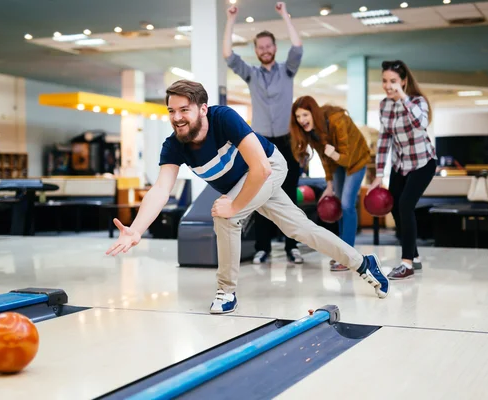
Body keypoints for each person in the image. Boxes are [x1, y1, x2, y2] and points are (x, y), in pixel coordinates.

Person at [106, 80, 390, 314]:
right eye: (171, 111)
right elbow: (160, 189)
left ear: (202, 109)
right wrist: (137, 229)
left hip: (270, 167)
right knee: (301, 229)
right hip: (249, 180)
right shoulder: (174, 145)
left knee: (225, 216)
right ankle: (364, 264)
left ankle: (226, 292)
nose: (177, 117)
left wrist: (234, 206)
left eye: (184, 110)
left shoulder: (223, 119)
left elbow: (261, 168)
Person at [223, 2, 304, 264]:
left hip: (287, 140)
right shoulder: (252, 75)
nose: (265, 50)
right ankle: (263, 248)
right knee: (259, 194)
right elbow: (227, 55)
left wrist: (284, 15)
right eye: (261, 47)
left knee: (290, 195)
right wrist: (231, 19)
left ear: (274, 49)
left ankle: (293, 247)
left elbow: (298, 47)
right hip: (261, 143)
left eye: (269, 46)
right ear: (256, 51)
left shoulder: (287, 70)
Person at [369, 60, 437, 280]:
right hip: (400, 164)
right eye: (385, 81)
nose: (388, 86)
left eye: (393, 82)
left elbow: (421, 123)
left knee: (406, 205)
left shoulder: (417, 102)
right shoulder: (384, 105)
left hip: (422, 163)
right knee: (395, 207)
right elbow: (384, 140)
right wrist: (379, 175)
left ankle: (406, 263)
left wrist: (404, 98)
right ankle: (414, 256)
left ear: (404, 81)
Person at [290, 96, 370, 272]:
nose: (302, 120)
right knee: (340, 205)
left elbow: (347, 159)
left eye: (305, 114)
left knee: (348, 205)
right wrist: (329, 184)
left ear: (314, 112)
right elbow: (324, 158)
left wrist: (333, 155)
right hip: (336, 164)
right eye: (298, 116)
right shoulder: (311, 132)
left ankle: (349, 257)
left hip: (356, 161)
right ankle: (342, 252)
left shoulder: (337, 120)